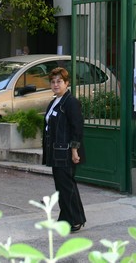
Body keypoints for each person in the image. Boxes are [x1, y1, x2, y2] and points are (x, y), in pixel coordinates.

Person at [42, 67, 86, 232]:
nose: (55, 85)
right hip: (55, 152)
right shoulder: (54, 102)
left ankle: (75, 219)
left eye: (59, 81)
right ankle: (67, 218)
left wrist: (75, 150)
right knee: (62, 187)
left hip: (66, 152)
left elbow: (77, 128)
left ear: (67, 83)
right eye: (53, 82)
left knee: (67, 186)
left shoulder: (71, 102)